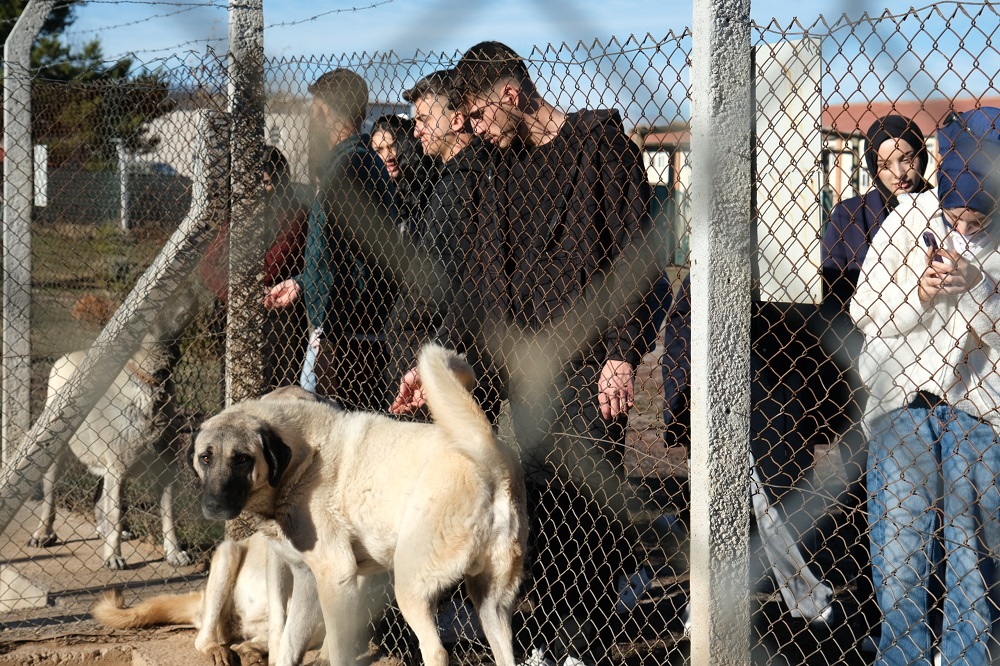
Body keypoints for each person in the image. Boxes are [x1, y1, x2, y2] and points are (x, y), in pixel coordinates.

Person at [391, 41, 658, 666]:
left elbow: (636, 259)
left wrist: (622, 354)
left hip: (589, 364)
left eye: (479, 115)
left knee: (587, 504)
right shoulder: (494, 164)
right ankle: (554, 637)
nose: (474, 130)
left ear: (511, 96)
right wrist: (440, 366)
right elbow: (477, 279)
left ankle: (581, 646)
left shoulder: (599, 149)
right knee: (537, 506)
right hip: (521, 368)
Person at [850, 106, 1000, 666]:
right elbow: (865, 310)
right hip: (904, 406)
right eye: (953, 220)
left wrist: (977, 290)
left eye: (975, 225)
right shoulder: (908, 219)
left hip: (978, 413)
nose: (961, 233)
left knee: (972, 568)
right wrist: (921, 295)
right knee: (901, 564)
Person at [264, 68, 396, 410]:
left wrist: (328, 336)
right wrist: (301, 282)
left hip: (342, 338)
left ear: (322, 111)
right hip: (351, 332)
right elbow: (347, 254)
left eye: (314, 110)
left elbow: (341, 259)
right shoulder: (364, 163)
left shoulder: (348, 167)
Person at [383, 69, 491, 417]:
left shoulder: (464, 183)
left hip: (442, 353)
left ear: (457, 120)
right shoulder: (443, 180)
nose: (416, 131)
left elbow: (450, 280)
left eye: (425, 119)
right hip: (428, 350)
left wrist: (405, 321)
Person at [199, 145, 308, 391]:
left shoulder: (293, 215)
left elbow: (271, 268)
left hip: (278, 316)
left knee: (275, 388)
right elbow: (207, 265)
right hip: (235, 313)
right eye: (253, 183)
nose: (260, 190)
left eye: (268, 183)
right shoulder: (239, 215)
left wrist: (234, 279)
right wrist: (234, 294)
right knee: (233, 382)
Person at [371, 113, 437, 229]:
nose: (388, 156)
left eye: (392, 147)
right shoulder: (373, 196)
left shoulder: (425, 192)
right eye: (379, 150)